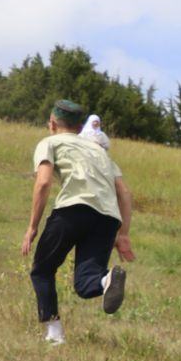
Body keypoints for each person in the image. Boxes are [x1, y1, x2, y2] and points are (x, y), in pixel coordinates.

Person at [21, 98, 134, 345]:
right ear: (79, 125)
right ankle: (106, 281)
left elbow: (43, 182)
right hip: (108, 218)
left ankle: (55, 334)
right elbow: (125, 194)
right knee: (86, 283)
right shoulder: (100, 152)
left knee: (42, 270)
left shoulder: (50, 142)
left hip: (73, 209)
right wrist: (123, 234)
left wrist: (32, 227)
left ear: (52, 123)